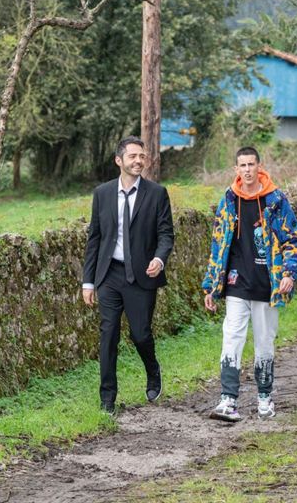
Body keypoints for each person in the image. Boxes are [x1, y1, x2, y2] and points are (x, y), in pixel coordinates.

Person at [201, 146, 297, 422]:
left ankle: (264, 397)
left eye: (251, 164)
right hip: (236, 282)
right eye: (242, 165)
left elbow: (292, 240)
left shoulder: (275, 200)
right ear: (236, 169)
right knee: (231, 336)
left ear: (259, 166)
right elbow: (218, 243)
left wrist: (289, 274)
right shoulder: (228, 200)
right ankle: (228, 399)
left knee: (264, 341)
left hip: (267, 284)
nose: (246, 170)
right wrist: (211, 284)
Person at [83, 136, 174, 413]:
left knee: (140, 334)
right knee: (108, 333)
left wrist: (159, 259)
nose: (138, 161)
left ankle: (152, 369)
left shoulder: (157, 193)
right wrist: (88, 281)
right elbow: (95, 238)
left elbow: (166, 234)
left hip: (141, 276)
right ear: (118, 160)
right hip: (109, 274)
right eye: (132, 156)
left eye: (141, 156)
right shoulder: (102, 193)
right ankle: (107, 399)